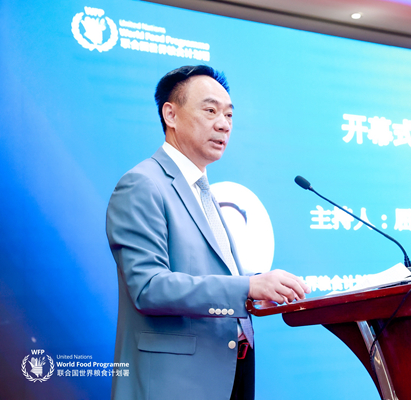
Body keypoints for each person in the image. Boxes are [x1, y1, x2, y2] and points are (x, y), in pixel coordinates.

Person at [106, 65, 310, 400]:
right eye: (211, 110)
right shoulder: (143, 184)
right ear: (170, 114)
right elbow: (148, 287)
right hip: (178, 382)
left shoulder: (202, 189)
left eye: (229, 115)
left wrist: (251, 291)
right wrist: (246, 287)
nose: (224, 124)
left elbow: (208, 275)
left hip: (232, 368)